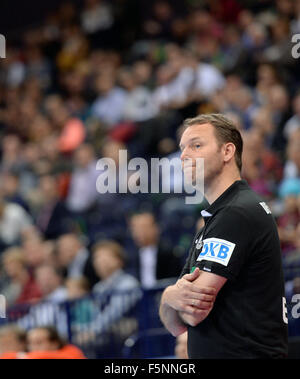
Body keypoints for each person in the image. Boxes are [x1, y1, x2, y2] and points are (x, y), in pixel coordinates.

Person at [159, 113, 288, 358]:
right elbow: (177, 326)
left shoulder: (236, 213)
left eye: (196, 145)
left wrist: (168, 296)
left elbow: (193, 312)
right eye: (182, 148)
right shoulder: (218, 217)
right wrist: (171, 299)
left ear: (227, 152)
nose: (184, 156)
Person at [129, 211, 182, 288]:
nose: (139, 232)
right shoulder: (131, 257)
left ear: (156, 228)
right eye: (135, 228)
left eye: (144, 227)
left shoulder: (169, 254)